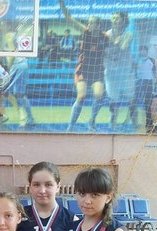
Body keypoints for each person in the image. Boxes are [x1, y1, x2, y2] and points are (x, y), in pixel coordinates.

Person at [59, 0, 109, 132]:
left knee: (99, 95)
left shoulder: (105, 36)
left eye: (93, 23)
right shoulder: (85, 32)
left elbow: (115, 35)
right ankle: (70, 126)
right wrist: (61, 4)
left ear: (98, 25)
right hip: (83, 70)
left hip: (97, 70)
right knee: (81, 97)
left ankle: (91, 121)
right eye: (89, 23)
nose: (90, 25)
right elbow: (69, 18)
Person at [103, 11, 134, 130]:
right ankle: (113, 120)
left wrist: (115, 41)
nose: (115, 20)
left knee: (131, 98)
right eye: (113, 17)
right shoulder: (106, 34)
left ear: (124, 21)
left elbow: (122, 47)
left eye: (118, 18)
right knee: (113, 100)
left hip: (125, 72)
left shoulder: (129, 34)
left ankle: (130, 119)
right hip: (111, 72)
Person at [3, 33, 35, 127]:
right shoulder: (13, 42)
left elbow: (11, 58)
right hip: (23, 65)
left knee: (2, 91)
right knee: (19, 94)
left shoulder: (11, 41)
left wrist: (7, 71)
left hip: (17, 66)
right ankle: (30, 118)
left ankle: (0, 117)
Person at [128, 45, 154, 132]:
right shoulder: (136, 61)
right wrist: (131, 84)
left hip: (148, 83)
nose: (142, 52)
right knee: (133, 103)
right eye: (141, 50)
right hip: (138, 83)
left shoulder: (152, 60)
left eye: (144, 50)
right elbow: (132, 73)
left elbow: (156, 73)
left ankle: (149, 124)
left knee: (148, 104)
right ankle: (134, 123)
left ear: (147, 51)